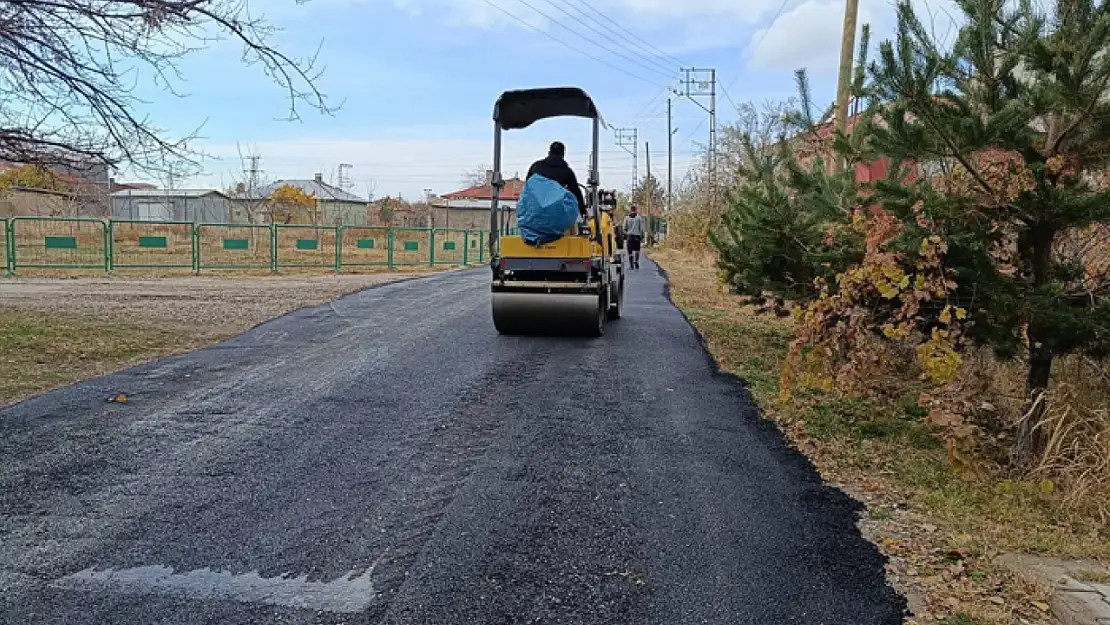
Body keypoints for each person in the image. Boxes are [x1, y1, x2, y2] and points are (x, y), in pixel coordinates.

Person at [526, 141, 587, 218]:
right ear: (563, 154)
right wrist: (582, 210)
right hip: (554, 214)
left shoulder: (536, 166)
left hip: (534, 211)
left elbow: (527, 186)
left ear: (549, 152)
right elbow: (576, 192)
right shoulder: (566, 171)